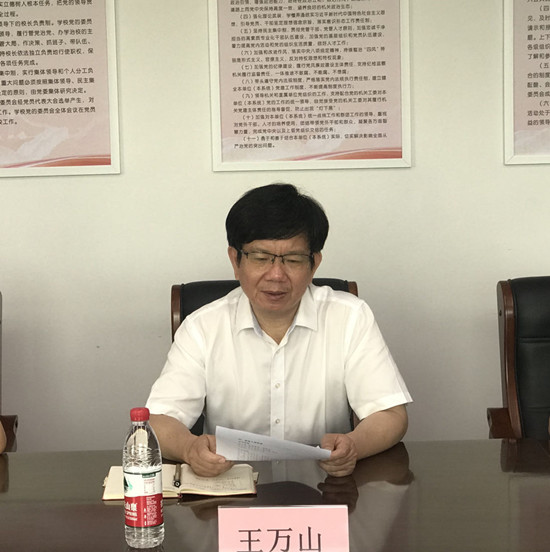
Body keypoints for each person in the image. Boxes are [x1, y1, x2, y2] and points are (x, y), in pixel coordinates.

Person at [146, 183, 412, 478]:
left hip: (325, 488)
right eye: (260, 258)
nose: (276, 275)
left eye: (293, 260)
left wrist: (354, 446)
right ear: (235, 261)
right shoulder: (202, 327)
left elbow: (390, 414)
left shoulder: (349, 317)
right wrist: (189, 449)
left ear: (314, 264)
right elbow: (158, 420)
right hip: (233, 488)